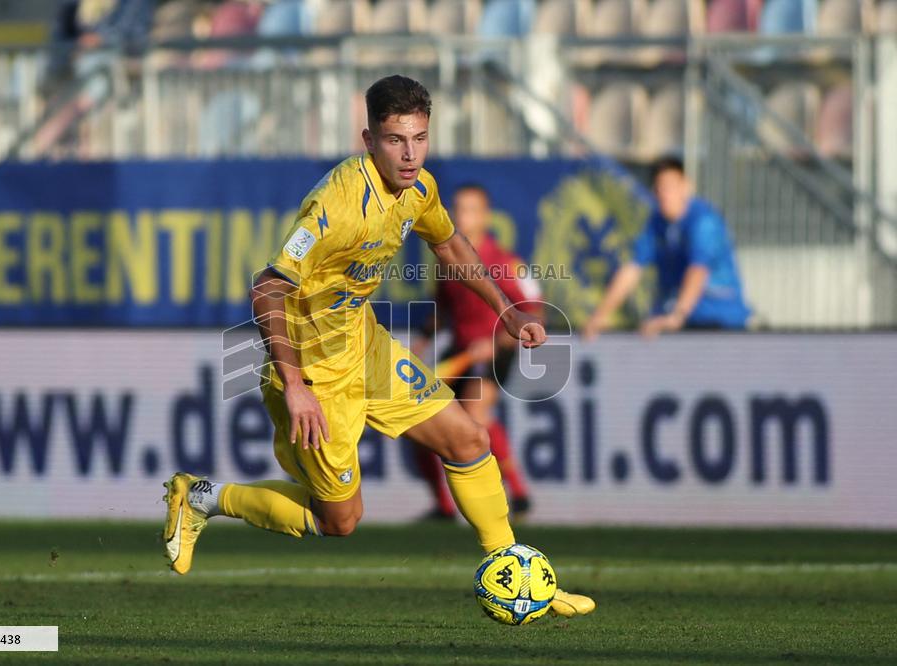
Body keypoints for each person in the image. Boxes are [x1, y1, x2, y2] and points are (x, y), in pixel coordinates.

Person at [162, 75, 593, 619]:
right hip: (314, 369)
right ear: (369, 140)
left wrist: (503, 307)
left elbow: (449, 241)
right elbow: (267, 286)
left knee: (467, 438)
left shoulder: (419, 188)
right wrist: (294, 384)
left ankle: (516, 571)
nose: (410, 154)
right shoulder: (335, 203)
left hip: (365, 346)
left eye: (420, 138)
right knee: (339, 520)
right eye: (395, 140)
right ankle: (200, 496)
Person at [413, 184, 540, 521]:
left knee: (471, 419)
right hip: (462, 350)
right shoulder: (447, 259)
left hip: (496, 351)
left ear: (485, 216)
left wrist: (498, 342)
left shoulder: (507, 262)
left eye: (470, 209)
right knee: (415, 421)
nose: (461, 216)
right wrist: (421, 344)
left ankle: (518, 493)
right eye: (457, 208)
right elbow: (443, 307)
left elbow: (534, 311)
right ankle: (443, 507)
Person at [583, 156, 752, 339]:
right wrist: (599, 316)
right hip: (680, 321)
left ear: (686, 186)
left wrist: (677, 315)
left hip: (719, 321)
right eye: (659, 188)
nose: (664, 194)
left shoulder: (704, 221)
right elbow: (632, 268)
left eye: (670, 187)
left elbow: (698, 270)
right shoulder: (654, 224)